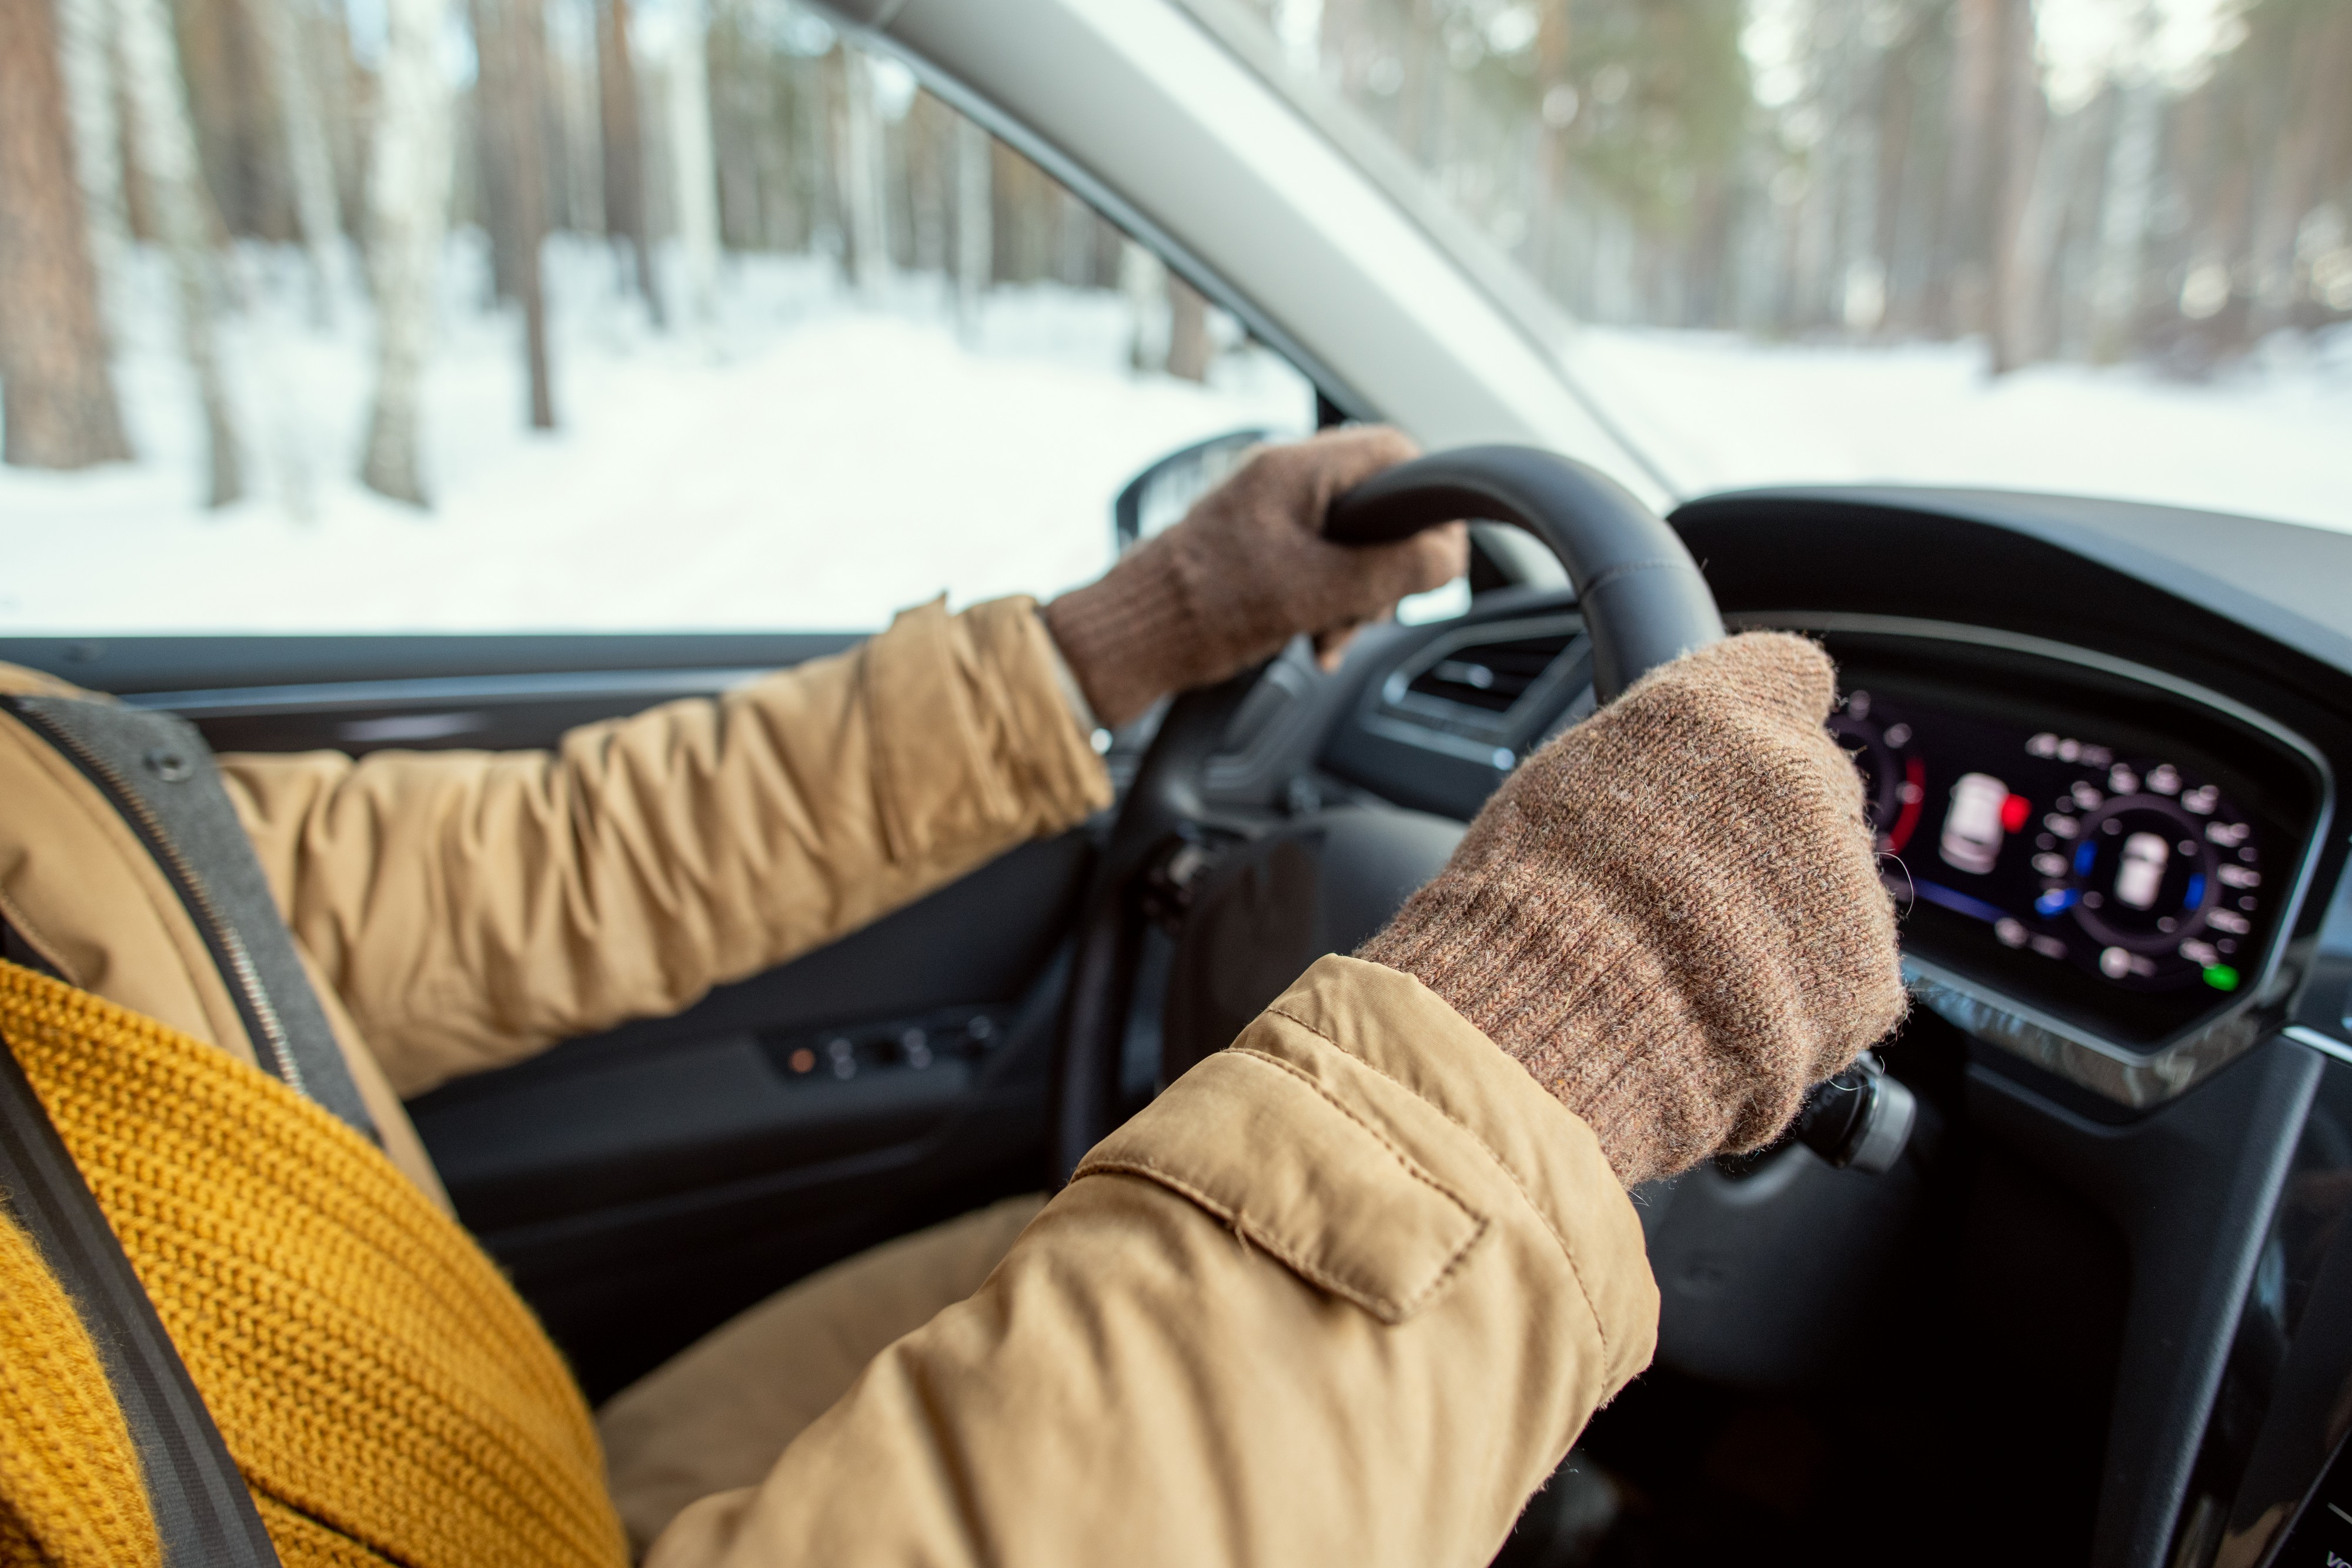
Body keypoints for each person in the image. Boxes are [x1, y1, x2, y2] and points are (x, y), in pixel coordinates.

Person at [0, 427, 1903, 1567]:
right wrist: (1546, 1032)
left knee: (1049, 1231)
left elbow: (416, 886)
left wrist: (1132, 632)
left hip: (463, 1452)